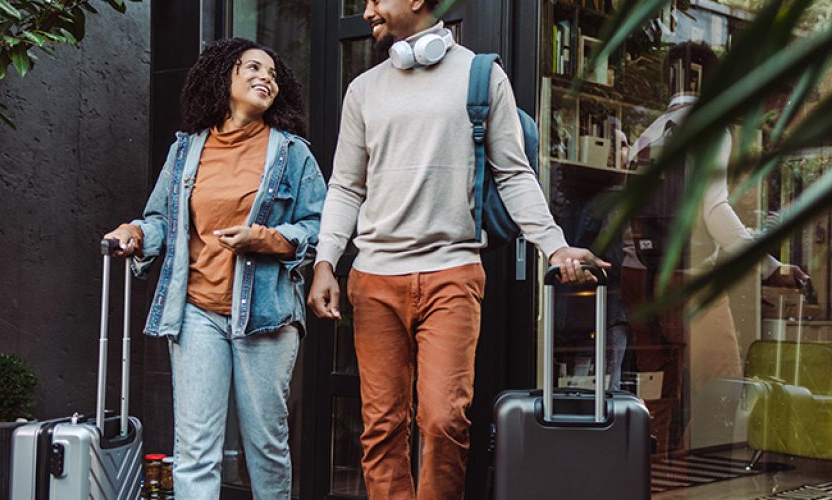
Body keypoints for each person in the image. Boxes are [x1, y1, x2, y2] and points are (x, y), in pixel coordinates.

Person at [306, 1, 608, 498]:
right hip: (374, 278)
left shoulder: (481, 76)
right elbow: (345, 187)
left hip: (452, 273)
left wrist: (555, 248)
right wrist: (325, 262)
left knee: (444, 420)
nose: (366, 11)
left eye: (376, 0)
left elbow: (514, 175)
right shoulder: (363, 90)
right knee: (381, 425)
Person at [103, 38, 325, 499]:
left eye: (274, 74)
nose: (267, 78)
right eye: (253, 68)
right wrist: (138, 233)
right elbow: (163, 218)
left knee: (264, 446)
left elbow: (319, 224)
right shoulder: (186, 150)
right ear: (222, 76)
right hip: (196, 311)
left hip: (265, 315)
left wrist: (267, 239)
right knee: (195, 450)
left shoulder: (291, 153)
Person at [629, 41, 808, 446]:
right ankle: (695, 483)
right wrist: (771, 267)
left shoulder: (648, 133)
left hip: (639, 279)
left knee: (656, 393)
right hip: (691, 280)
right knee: (722, 388)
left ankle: (651, 481)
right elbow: (714, 210)